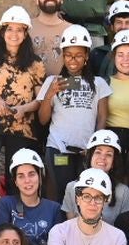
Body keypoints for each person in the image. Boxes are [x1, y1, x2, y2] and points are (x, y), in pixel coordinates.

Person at [0, 7, 48, 174]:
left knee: (17, 177)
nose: (14, 34)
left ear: (26, 33)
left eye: (19, 30)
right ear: (3, 32)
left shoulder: (36, 63)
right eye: (10, 29)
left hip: (23, 128)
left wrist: (24, 109)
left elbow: (40, 99)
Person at [34, 26, 105, 193]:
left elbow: (102, 118)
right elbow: (43, 119)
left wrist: (95, 147)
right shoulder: (53, 81)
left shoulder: (99, 83)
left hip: (87, 151)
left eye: (79, 55)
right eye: (68, 55)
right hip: (59, 148)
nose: (73, 60)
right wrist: (50, 93)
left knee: (85, 194)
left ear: (87, 56)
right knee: (59, 195)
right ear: (63, 56)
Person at [0, 148, 64, 245]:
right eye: (21, 176)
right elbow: (0, 242)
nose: (27, 181)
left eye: (31, 174)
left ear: (40, 176)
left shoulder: (54, 208)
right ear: (15, 181)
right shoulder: (6, 204)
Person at [99, 31, 129, 150]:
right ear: (114, 57)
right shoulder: (103, 83)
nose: (125, 59)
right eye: (120, 54)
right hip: (109, 142)